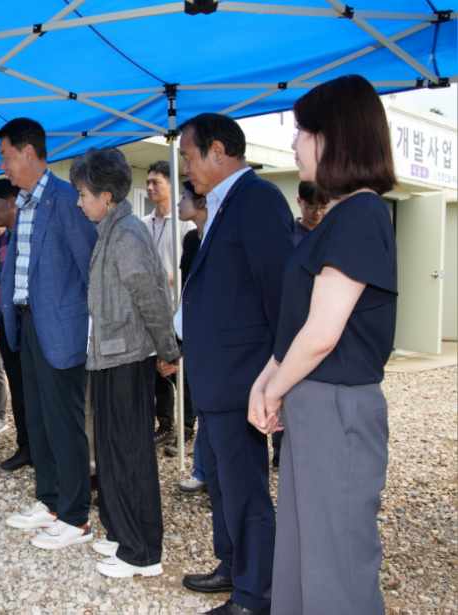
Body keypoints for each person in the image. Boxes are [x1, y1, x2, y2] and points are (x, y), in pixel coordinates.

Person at [250, 74, 397, 615]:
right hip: (315, 403)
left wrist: (271, 389)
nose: (294, 143)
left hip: (337, 407)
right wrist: (271, 380)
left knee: (336, 564)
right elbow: (298, 326)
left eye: (302, 131)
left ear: (334, 138)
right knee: (304, 553)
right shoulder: (340, 218)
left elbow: (323, 332)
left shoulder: (361, 214)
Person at [178, 113, 293, 615]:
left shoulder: (258, 200)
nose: (185, 165)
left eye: (188, 154)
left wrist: (276, 377)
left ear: (218, 151)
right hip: (218, 379)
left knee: (246, 491)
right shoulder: (224, 207)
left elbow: (280, 294)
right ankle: (231, 566)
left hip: (245, 378)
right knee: (223, 484)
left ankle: (255, 595)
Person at [70, 147, 179, 579]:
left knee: (131, 455)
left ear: (107, 197)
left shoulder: (128, 234)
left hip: (128, 358)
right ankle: (121, 534)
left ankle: (144, 553)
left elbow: (151, 296)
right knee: (113, 453)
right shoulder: (111, 230)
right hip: (107, 357)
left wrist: (168, 349)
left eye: (83, 194)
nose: (80, 202)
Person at [0, 117, 97, 551]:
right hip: (28, 323)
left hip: (60, 327)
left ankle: (75, 515)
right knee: (37, 417)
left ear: (29, 152)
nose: (2, 165)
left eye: (5, 155)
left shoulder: (63, 199)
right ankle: (50, 499)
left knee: (64, 421)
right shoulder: (25, 202)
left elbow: (89, 264)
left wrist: (90, 329)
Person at [270, 179, 329, 467]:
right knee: (285, 387)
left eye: (321, 207)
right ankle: (282, 451)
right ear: (299, 202)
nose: (316, 213)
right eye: (311, 206)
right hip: (291, 324)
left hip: (321, 324)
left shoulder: (331, 237)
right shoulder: (287, 237)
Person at [140, 161, 196, 444]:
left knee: (180, 369)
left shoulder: (185, 223)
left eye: (156, 182)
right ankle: (165, 423)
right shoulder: (144, 223)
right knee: (156, 368)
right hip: (151, 309)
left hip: (178, 307)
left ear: (171, 186)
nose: (150, 187)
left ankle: (186, 426)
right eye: (148, 183)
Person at [0, 178, 31, 472]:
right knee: (18, 387)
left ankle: (45, 448)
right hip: (8, 323)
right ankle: (26, 447)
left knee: (38, 390)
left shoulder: (32, 235)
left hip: (33, 322)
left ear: (13, 201)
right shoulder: (1, 242)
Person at [169, 181, 208, 493]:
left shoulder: (220, 237)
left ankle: (216, 474)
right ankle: (203, 469)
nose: (179, 202)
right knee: (200, 399)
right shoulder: (190, 239)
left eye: (184, 197)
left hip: (217, 334)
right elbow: (188, 288)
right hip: (193, 327)